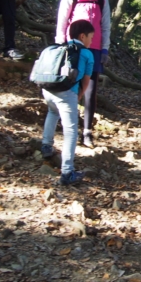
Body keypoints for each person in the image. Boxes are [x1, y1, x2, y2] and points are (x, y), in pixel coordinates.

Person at [55, 0, 111, 148]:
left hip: (94, 51)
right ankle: (66, 126)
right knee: (70, 86)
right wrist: (60, 46)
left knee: (91, 91)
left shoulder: (102, 1)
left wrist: (105, 48)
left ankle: (87, 132)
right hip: (73, 49)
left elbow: (105, 27)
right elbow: (62, 23)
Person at [40, 19, 95, 186]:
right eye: (90, 37)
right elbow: (86, 81)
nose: (91, 41)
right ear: (82, 35)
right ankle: (67, 172)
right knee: (71, 131)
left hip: (48, 89)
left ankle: (46, 146)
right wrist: (78, 96)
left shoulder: (58, 47)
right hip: (67, 92)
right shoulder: (86, 53)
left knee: (52, 112)